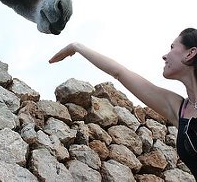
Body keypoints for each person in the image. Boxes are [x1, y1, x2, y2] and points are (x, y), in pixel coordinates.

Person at [49, 28, 197, 178]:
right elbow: (119, 72)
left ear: (190, 53)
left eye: (172, 47)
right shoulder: (179, 109)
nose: (165, 56)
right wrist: (76, 47)